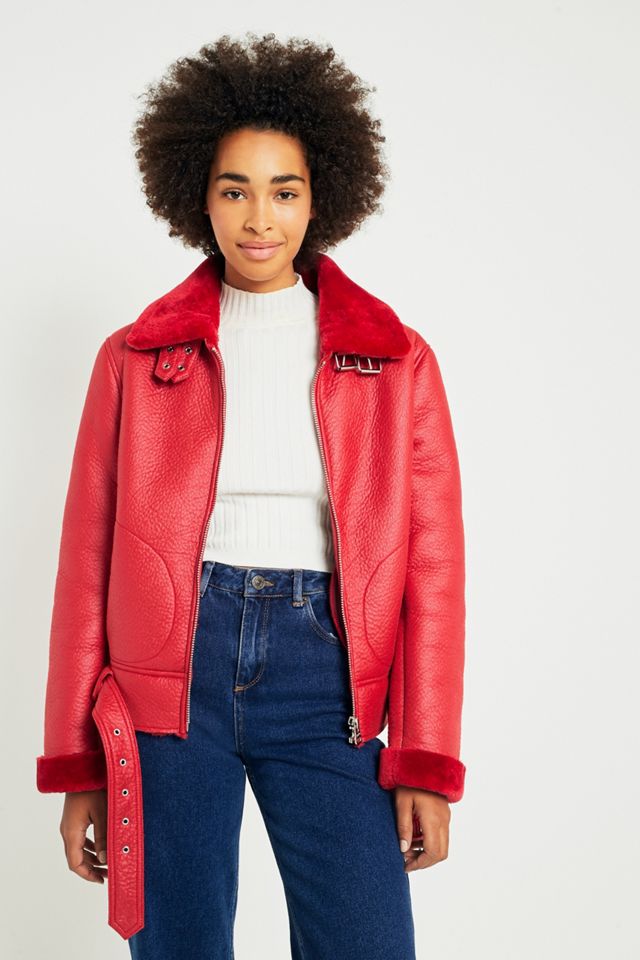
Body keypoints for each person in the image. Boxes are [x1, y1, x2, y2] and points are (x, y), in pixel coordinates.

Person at [36, 33, 467, 959]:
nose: (259, 218)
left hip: (328, 681)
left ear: (322, 197)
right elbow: (85, 567)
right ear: (199, 195)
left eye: (285, 191)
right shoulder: (133, 358)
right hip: (168, 681)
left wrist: (425, 756)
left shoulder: (395, 362)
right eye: (235, 190)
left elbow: (433, 574)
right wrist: (78, 767)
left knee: (367, 940)